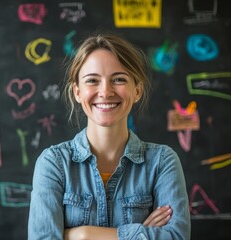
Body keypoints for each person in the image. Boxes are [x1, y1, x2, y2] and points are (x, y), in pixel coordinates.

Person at [28, 32, 191, 240]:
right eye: (92, 81)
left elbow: (176, 237)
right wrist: (141, 233)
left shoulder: (162, 162)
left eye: (119, 79)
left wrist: (82, 235)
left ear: (138, 90)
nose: (105, 92)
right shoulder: (53, 164)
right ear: (77, 92)